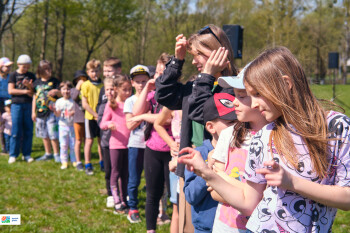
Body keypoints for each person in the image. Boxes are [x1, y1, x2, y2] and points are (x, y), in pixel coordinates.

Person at [178, 46, 350, 232]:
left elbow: (347, 198)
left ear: (286, 84)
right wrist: (205, 172)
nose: (253, 103)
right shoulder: (263, 135)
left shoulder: (336, 127)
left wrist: (293, 183)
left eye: (258, 94)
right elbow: (248, 203)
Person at [155, 24, 236, 233]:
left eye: (199, 53)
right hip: (192, 172)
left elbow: (204, 113)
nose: (194, 60)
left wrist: (207, 77)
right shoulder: (199, 84)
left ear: (219, 52)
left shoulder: (234, 88)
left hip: (222, 174)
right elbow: (163, 96)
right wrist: (177, 61)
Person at [209, 64, 268, 232]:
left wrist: (220, 177)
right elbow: (213, 190)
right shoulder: (228, 134)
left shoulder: (275, 138)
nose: (234, 102)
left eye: (241, 96)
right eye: (235, 95)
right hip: (225, 227)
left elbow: (264, 200)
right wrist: (246, 195)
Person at [132, 54, 173, 233]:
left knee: (174, 195)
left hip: (173, 148)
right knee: (152, 194)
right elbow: (135, 111)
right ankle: (151, 230)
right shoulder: (151, 92)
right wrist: (147, 88)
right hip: (153, 148)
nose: (157, 76)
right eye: (156, 72)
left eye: (162, 72)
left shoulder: (176, 92)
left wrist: (142, 117)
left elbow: (167, 118)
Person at [185, 93, 237, 233]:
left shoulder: (241, 153)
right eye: (230, 122)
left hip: (234, 226)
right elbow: (191, 196)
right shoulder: (198, 155)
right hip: (205, 228)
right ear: (210, 127)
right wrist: (208, 168)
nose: (237, 126)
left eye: (239, 121)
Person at [100, 75, 132, 214]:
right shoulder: (111, 105)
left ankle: (124, 199)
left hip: (129, 145)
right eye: (124, 90)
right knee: (115, 172)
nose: (128, 92)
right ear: (117, 89)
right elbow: (102, 123)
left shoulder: (130, 104)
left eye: (129, 89)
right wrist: (109, 124)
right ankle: (116, 200)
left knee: (126, 174)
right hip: (115, 145)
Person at [123, 65, 150, 223]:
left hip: (152, 145)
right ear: (132, 83)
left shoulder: (153, 98)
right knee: (134, 179)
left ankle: (155, 207)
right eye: (138, 81)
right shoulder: (130, 101)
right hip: (135, 144)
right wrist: (145, 114)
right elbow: (129, 125)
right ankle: (132, 207)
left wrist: (137, 116)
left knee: (151, 179)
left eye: (144, 81)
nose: (141, 85)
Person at [96, 57, 123, 207]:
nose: (106, 73)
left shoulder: (124, 88)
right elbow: (100, 115)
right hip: (107, 138)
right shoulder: (103, 93)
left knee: (120, 169)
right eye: (104, 70)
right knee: (109, 169)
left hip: (121, 139)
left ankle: (121, 193)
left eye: (109, 70)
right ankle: (110, 194)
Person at [153, 107, 181, 233]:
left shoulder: (195, 103)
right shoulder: (172, 106)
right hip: (176, 161)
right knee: (177, 207)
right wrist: (171, 143)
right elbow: (157, 123)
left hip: (194, 160)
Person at [8, 54, 36, 164]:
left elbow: (33, 92)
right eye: (24, 66)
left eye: (28, 66)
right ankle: (13, 154)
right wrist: (25, 91)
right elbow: (11, 91)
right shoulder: (13, 75)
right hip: (16, 105)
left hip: (28, 105)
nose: (26, 69)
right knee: (16, 130)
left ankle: (27, 154)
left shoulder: (31, 75)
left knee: (28, 130)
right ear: (19, 64)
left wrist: (28, 86)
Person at [32, 60, 61, 162]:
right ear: (40, 70)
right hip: (40, 113)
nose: (48, 71)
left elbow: (62, 95)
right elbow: (34, 97)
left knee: (53, 134)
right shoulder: (36, 82)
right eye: (46, 69)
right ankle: (48, 153)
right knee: (44, 135)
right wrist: (33, 112)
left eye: (50, 69)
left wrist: (57, 92)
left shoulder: (55, 81)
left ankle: (57, 154)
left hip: (52, 113)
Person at [80, 59, 103, 175]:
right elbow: (84, 104)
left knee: (101, 141)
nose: (95, 74)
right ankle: (88, 164)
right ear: (88, 72)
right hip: (90, 118)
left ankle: (102, 162)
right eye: (92, 71)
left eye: (97, 71)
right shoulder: (85, 85)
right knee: (89, 141)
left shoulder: (103, 85)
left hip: (102, 118)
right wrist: (95, 115)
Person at [54, 81, 76, 169]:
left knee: (73, 144)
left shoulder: (73, 101)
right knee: (63, 144)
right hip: (62, 126)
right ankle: (64, 161)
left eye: (68, 89)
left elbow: (76, 112)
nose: (66, 91)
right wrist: (55, 111)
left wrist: (73, 112)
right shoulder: (58, 101)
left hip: (73, 126)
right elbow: (57, 114)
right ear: (60, 91)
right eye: (63, 89)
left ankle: (74, 160)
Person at [71, 70, 88, 171]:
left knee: (87, 141)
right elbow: (73, 97)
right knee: (78, 140)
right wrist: (78, 87)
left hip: (88, 118)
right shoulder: (74, 90)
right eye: (79, 79)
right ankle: (78, 161)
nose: (81, 81)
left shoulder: (88, 88)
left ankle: (87, 160)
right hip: (78, 119)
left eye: (83, 79)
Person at [0, 57, 13, 153]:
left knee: (9, 121)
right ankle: (4, 146)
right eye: (6, 66)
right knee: (1, 123)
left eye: (9, 67)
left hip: (8, 100)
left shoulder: (10, 77)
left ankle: (10, 145)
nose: (8, 68)